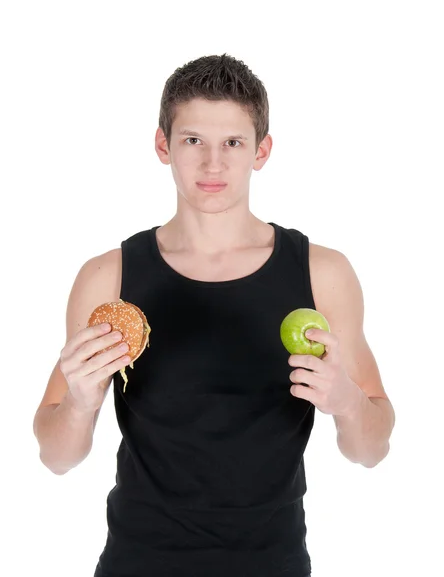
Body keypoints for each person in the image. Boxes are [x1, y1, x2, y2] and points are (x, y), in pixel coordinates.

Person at [33, 53, 395, 577]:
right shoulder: (106, 278)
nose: (213, 164)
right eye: (192, 140)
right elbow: (56, 457)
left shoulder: (322, 273)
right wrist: (82, 404)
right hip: (138, 564)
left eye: (232, 143)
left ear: (261, 151)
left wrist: (346, 402)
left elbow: (372, 450)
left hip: (274, 565)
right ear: (163, 145)